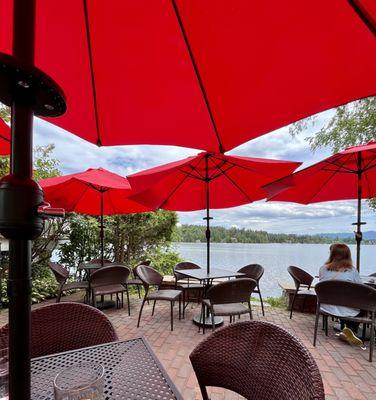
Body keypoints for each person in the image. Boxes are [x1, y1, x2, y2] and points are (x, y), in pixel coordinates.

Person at [319, 243, 364, 348]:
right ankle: (351, 330)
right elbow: (360, 289)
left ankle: (346, 330)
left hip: (326, 306)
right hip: (346, 308)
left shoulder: (323, 269)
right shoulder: (352, 271)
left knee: (346, 302)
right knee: (365, 304)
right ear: (348, 255)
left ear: (332, 254)